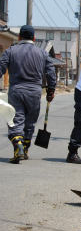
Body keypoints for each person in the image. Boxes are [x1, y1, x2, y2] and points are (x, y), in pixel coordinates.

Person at [0, 25, 56, 164]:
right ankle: (24, 150)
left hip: (16, 90)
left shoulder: (10, 51)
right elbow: (51, 73)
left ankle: (17, 146)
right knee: (30, 123)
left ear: (19, 37)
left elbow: (0, 68)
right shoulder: (42, 53)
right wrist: (51, 90)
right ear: (34, 38)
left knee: (15, 120)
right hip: (35, 92)